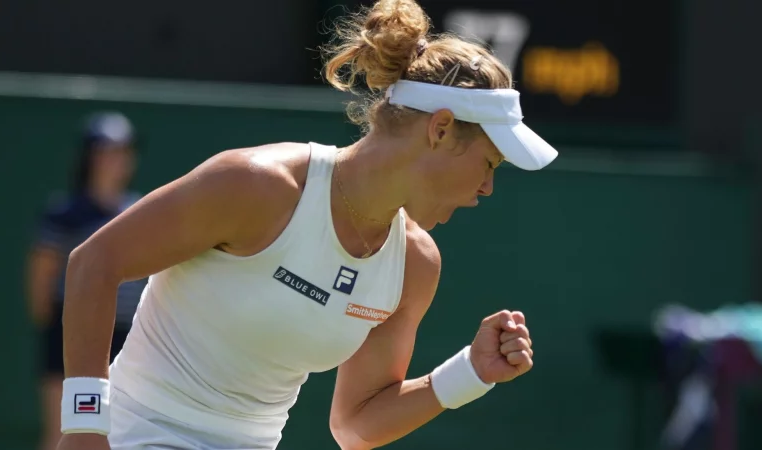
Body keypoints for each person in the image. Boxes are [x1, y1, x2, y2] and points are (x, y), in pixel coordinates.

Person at [56, 0, 558, 449]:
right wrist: (84, 426)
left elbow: (355, 427)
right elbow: (94, 262)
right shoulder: (258, 185)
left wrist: (469, 372)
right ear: (441, 129)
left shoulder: (415, 265)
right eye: (489, 164)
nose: (486, 189)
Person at [26, 111, 145, 450]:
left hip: (126, 339)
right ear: (89, 157)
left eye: (122, 151)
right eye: (106, 151)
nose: (115, 161)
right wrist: (61, 331)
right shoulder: (63, 213)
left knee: (119, 436)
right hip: (70, 337)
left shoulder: (138, 212)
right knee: (63, 432)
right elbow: (40, 281)